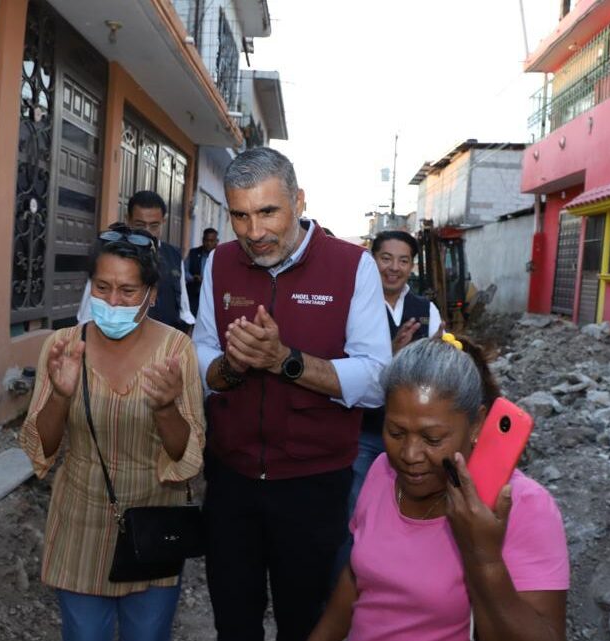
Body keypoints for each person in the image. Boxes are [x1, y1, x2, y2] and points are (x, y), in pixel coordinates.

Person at [193, 147, 392, 641]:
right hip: (231, 480)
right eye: (239, 215)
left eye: (267, 212)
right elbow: (200, 355)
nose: (254, 232)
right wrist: (230, 367)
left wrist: (285, 361)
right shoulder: (218, 264)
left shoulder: (352, 267)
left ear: (299, 201)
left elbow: (375, 378)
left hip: (314, 484)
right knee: (233, 622)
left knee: (304, 622)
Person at [309, 336, 570, 641]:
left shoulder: (524, 506)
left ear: (476, 425)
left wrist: (483, 556)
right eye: (395, 432)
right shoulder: (382, 471)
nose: (409, 455)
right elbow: (356, 578)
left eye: (432, 439)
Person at [20, 226, 206, 641]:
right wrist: (61, 396)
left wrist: (165, 408)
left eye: (128, 290)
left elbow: (186, 457)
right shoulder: (64, 346)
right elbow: (43, 448)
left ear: (152, 295)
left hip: (154, 526)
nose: (113, 301)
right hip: (79, 524)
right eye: (102, 288)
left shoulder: (177, 351)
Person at [350, 230, 444, 511]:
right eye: (386, 258)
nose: (394, 268)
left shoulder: (426, 310)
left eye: (403, 261)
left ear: (411, 265)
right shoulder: (353, 306)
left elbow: (437, 371)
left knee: (406, 509)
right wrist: (389, 355)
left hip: (414, 435)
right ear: (372, 260)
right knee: (357, 509)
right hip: (364, 431)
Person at [77, 191, 195, 332]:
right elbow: (87, 316)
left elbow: (184, 308)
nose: (147, 232)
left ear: (163, 221)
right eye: (140, 225)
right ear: (128, 220)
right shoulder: (110, 255)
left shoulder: (174, 256)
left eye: (154, 226)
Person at [184, 227, 219, 317]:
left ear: (217, 241)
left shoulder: (221, 256)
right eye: (206, 240)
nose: (208, 243)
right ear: (203, 240)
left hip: (212, 297)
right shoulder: (193, 253)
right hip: (194, 295)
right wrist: (193, 278)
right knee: (191, 321)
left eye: (212, 241)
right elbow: (184, 271)